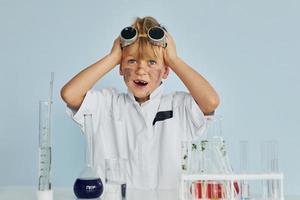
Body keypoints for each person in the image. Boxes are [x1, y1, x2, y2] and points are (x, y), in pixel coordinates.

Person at [61, 16, 220, 190]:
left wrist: (174, 59)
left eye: (152, 62)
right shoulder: (107, 104)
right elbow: (70, 94)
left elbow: (210, 102)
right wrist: (113, 57)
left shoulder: (178, 106)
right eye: (132, 61)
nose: (141, 70)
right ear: (121, 68)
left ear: (166, 71)